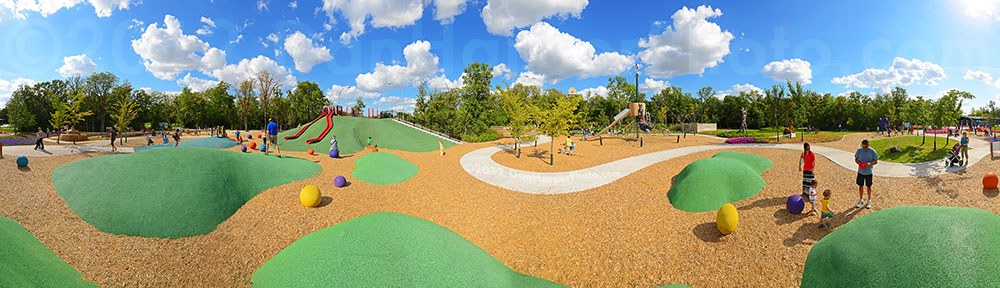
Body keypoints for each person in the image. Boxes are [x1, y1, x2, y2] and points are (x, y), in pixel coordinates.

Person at [854, 139, 878, 209]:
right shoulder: (859, 150)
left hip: (868, 173)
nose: (863, 148)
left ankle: (869, 200)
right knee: (860, 186)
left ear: (868, 145)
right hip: (860, 172)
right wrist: (859, 164)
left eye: (865, 147)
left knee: (869, 186)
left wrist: (870, 163)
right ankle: (861, 199)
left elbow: (876, 161)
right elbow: (856, 159)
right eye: (863, 147)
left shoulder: (872, 151)